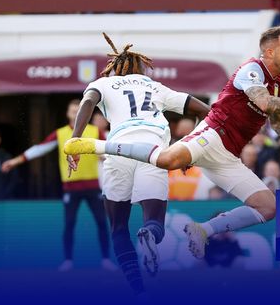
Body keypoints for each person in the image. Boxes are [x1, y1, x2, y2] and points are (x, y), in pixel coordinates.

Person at [65, 27, 280, 260]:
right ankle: (96, 146)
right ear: (269, 52)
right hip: (212, 133)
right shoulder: (252, 69)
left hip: (227, 154)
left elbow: (275, 119)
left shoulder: (278, 85)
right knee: (168, 160)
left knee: (268, 207)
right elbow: (262, 102)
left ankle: (203, 230)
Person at [65, 33, 210, 293]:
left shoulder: (103, 84)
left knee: (118, 227)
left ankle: (137, 288)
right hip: (153, 152)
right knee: (154, 223)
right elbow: (204, 111)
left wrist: (75, 141)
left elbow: (87, 103)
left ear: (114, 68)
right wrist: (188, 149)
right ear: (142, 68)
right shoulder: (156, 87)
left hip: (117, 150)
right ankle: (148, 235)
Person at [2, 99, 114, 271]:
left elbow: (110, 150)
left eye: (79, 110)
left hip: (93, 187)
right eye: (72, 110)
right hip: (71, 188)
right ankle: (68, 260)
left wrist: (108, 158)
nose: (76, 113)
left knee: (101, 222)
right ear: (67, 114)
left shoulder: (95, 131)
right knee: (69, 224)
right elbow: (40, 148)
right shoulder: (61, 133)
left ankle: (106, 259)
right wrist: (15, 161)